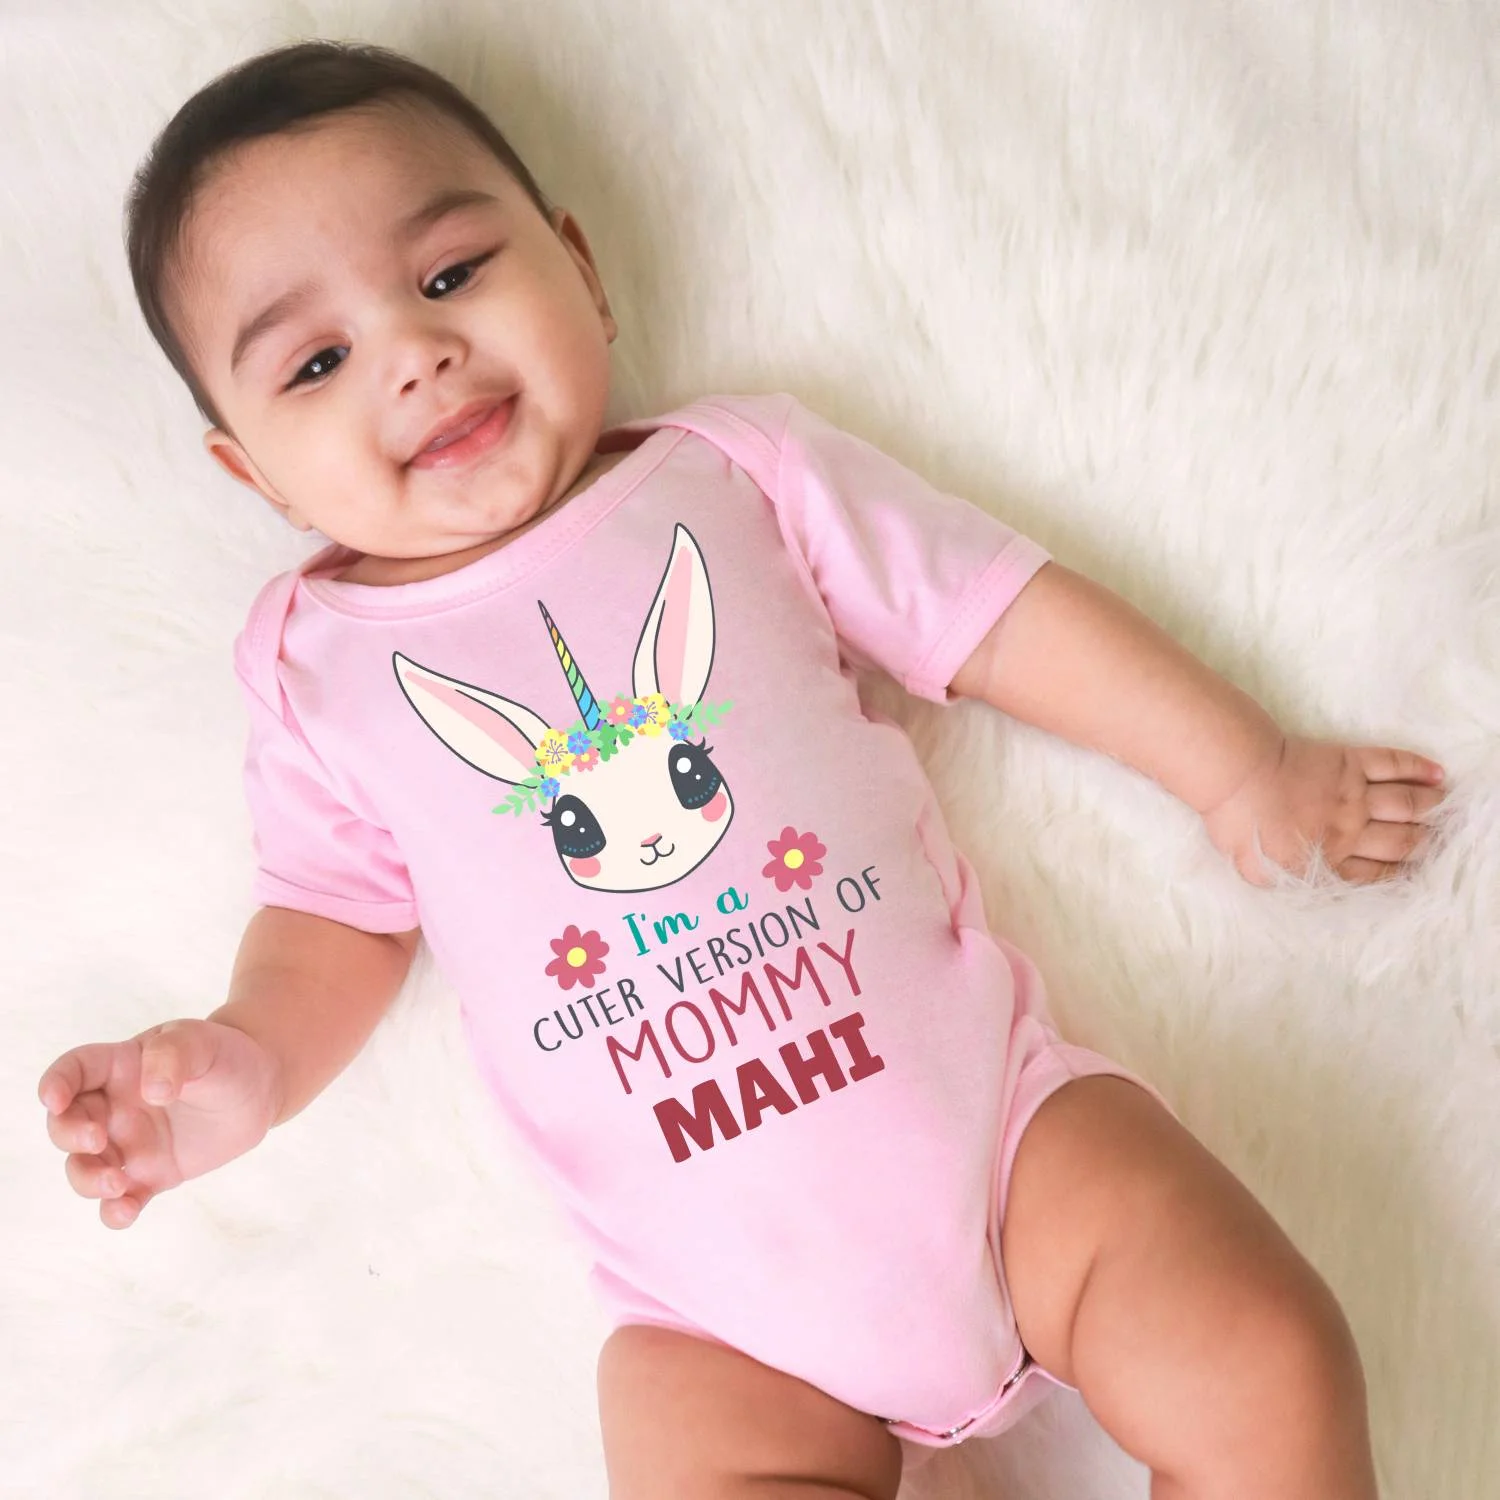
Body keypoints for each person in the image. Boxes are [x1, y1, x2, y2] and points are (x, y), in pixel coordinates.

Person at [38, 40, 1444, 1499]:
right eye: (317, 363)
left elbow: (997, 619)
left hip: (1008, 1151)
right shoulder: (315, 671)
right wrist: (255, 1057)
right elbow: (334, 913)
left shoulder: (737, 476)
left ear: (582, 271)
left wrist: (1242, 766)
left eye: (451, 273)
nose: (414, 353)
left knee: (1264, 1358)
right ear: (253, 472)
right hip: (711, 1325)